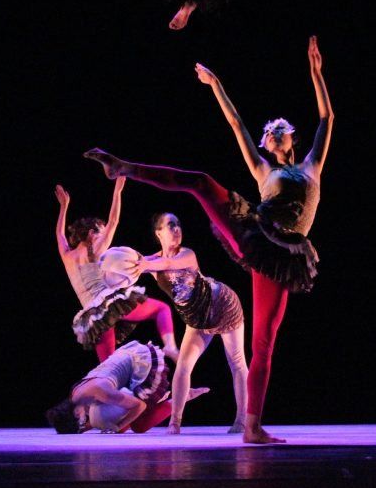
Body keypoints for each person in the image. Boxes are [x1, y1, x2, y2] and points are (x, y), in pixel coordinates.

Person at [85, 35, 331, 443]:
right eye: (269, 132)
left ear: (292, 139)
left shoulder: (312, 167)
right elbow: (236, 124)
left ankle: (252, 427)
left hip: (283, 256)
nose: (272, 133)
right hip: (254, 232)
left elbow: (327, 117)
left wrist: (316, 74)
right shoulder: (263, 170)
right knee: (200, 182)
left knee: (263, 344)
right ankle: (124, 167)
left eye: (279, 131)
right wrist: (217, 85)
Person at [138, 212, 247, 433]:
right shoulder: (152, 261)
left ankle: (242, 420)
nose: (177, 229)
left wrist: (143, 264)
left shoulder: (187, 254)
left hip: (222, 305)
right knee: (183, 367)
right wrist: (115, 261)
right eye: (170, 225)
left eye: (178, 224)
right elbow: (133, 260)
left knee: (236, 362)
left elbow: (167, 263)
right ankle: (175, 422)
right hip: (197, 319)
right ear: (158, 233)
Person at [55, 181, 178, 361]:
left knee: (109, 367)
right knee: (162, 309)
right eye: (101, 231)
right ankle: (170, 347)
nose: (104, 236)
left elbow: (60, 235)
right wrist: (118, 190)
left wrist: (63, 207)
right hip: (110, 303)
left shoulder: (67, 256)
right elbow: (113, 222)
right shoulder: (93, 249)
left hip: (93, 317)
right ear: (91, 233)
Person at [45, 341, 208, 434]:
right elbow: (94, 421)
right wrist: (83, 429)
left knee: (139, 426)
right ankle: (166, 398)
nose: (84, 423)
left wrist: (117, 428)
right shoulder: (76, 394)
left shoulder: (101, 392)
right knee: (110, 421)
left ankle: (182, 397)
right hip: (124, 363)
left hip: (142, 364)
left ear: (75, 413)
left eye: (81, 423)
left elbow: (139, 406)